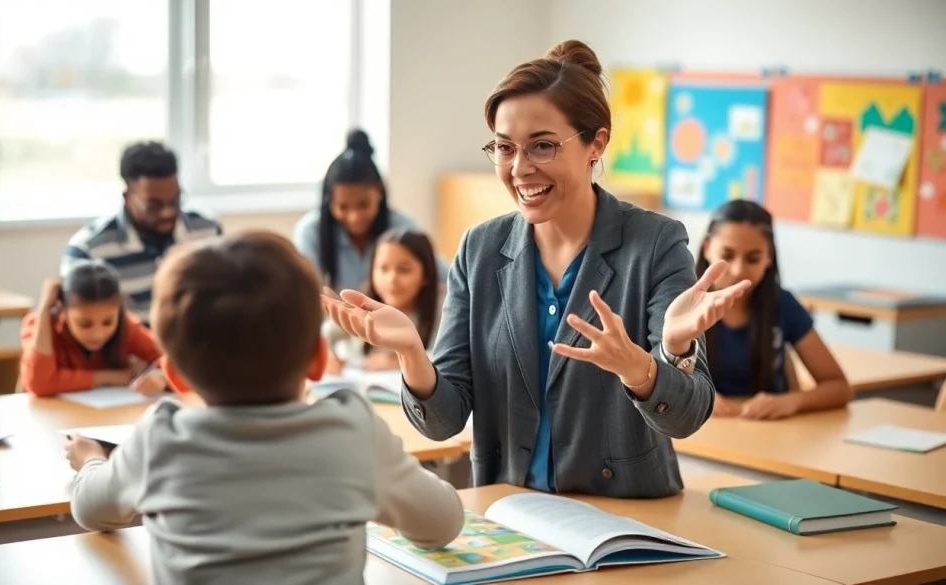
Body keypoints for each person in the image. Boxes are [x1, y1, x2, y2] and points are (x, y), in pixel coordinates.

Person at [323, 40, 751, 499]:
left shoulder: (656, 244)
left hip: (625, 519)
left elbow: (686, 419)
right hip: (511, 516)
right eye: (505, 149)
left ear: (596, 144)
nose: (520, 169)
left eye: (542, 146)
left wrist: (655, 359)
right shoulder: (480, 249)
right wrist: (412, 353)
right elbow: (443, 422)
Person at [64, 231, 463, 584]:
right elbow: (442, 523)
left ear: (175, 374)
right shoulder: (351, 432)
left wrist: (91, 461)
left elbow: (90, 509)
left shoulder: (160, 438)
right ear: (318, 359)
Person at [697, 200, 852, 419]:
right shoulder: (680, 303)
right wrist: (692, 397)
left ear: (769, 257)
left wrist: (793, 401)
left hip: (769, 433)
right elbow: (647, 376)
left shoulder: (782, 304)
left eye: (753, 258)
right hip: (701, 434)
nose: (738, 270)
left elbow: (839, 387)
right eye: (727, 255)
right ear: (706, 248)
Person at [61, 141, 223, 323]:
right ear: (127, 197)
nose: (167, 212)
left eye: (175, 200)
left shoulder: (208, 234)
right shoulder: (89, 249)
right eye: (154, 206)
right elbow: (78, 327)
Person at [293, 129, 448, 292]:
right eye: (343, 207)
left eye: (363, 205)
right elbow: (306, 292)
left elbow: (448, 278)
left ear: (380, 193)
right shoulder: (310, 232)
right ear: (329, 202)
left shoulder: (403, 227)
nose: (354, 217)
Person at [20, 260, 169, 397]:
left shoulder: (126, 326)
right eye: (85, 324)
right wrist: (45, 308)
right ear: (62, 310)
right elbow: (40, 383)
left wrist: (161, 377)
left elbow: (178, 361)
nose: (97, 334)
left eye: (108, 322)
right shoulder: (40, 325)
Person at [325, 228, 443, 374]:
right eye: (383, 269)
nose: (392, 279)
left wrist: (396, 363)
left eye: (404, 270)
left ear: (426, 275)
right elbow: (327, 332)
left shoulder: (442, 309)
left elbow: (448, 356)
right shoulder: (361, 303)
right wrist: (330, 355)